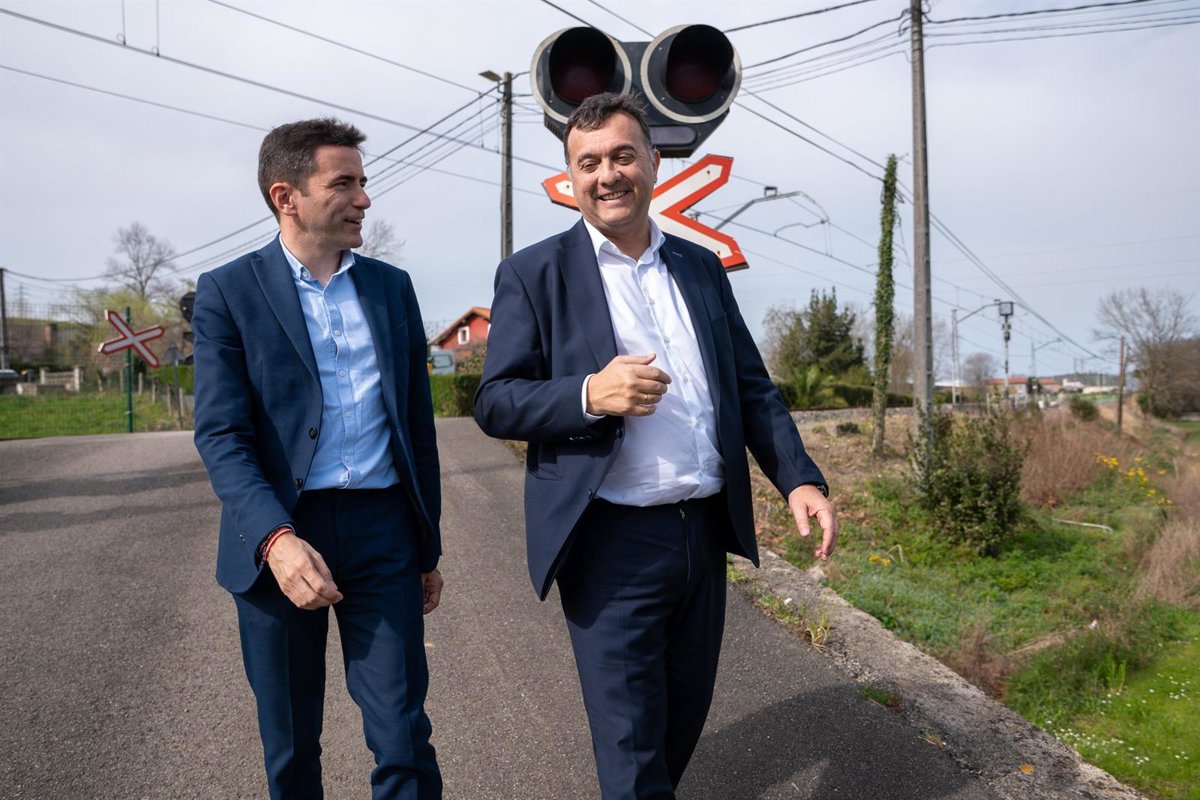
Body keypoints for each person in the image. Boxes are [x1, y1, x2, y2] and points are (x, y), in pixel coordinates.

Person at [473, 92, 838, 799]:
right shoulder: (534, 273)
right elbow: (495, 400)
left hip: (701, 533)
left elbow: (749, 385)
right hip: (608, 540)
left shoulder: (699, 267)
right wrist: (589, 393)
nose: (606, 174)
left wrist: (797, 477)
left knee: (678, 723)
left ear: (653, 162)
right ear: (570, 178)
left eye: (621, 156)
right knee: (632, 746)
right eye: (588, 163)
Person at [193, 117, 443, 800]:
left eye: (363, 181)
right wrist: (275, 540)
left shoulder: (392, 288)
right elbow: (221, 435)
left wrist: (426, 545)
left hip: (383, 530)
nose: (364, 198)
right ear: (287, 196)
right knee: (292, 745)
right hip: (280, 534)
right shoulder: (228, 292)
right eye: (344, 183)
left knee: (402, 735)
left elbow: (416, 426)